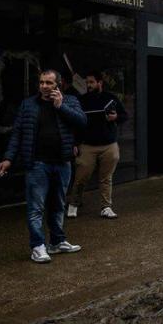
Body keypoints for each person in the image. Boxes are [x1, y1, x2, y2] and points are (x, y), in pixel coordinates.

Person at [0, 69, 87, 263]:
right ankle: (38, 246)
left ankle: (57, 242)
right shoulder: (28, 105)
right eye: (41, 83)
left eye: (49, 83)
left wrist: (60, 106)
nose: (44, 86)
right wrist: (8, 158)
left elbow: (82, 122)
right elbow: (18, 134)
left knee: (58, 205)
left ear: (58, 84)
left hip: (62, 163)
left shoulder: (69, 101)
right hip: (38, 164)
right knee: (36, 207)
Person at [67, 70, 127, 219]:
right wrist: (75, 143)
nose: (89, 85)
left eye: (92, 82)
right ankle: (74, 204)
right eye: (87, 82)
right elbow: (75, 123)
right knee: (81, 177)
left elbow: (124, 116)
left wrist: (116, 117)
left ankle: (106, 207)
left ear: (100, 83)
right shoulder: (81, 100)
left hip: (109, 145)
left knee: (106, 178)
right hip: (87, 145)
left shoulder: (111, 98)